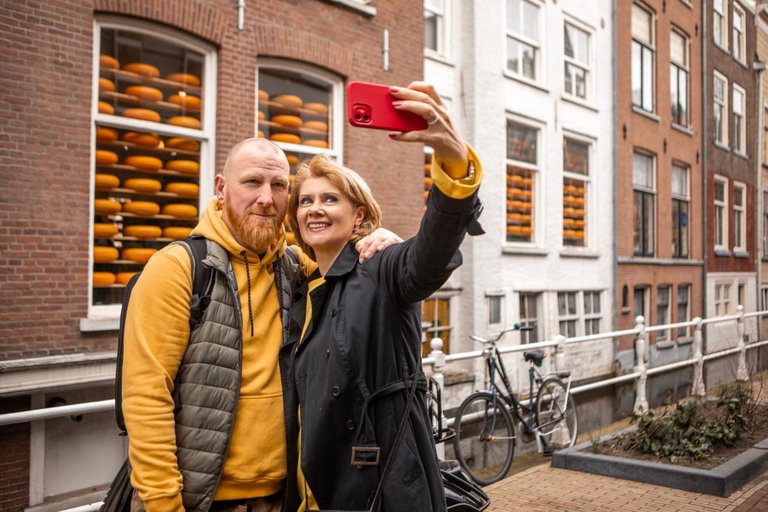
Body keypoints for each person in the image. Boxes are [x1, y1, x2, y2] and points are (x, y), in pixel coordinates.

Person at [122, 138, 401, 512]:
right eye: (252, 182)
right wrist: (163, 504)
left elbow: (351, 272)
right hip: (202, 501)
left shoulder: (295, 266)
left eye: (279, 186)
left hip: (286, 496)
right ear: (221, 189)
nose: (267, 198)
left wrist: (378, 241)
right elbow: (146, 396)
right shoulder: (176, 269)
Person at [281, 82, 484, 512]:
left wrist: (453, 160)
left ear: (359, 213)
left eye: (330, 198)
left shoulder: (380, 266)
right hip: (311, 491)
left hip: (380, 491)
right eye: (306, 201)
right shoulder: (299, 286)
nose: (314, 208)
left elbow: (430, 253)